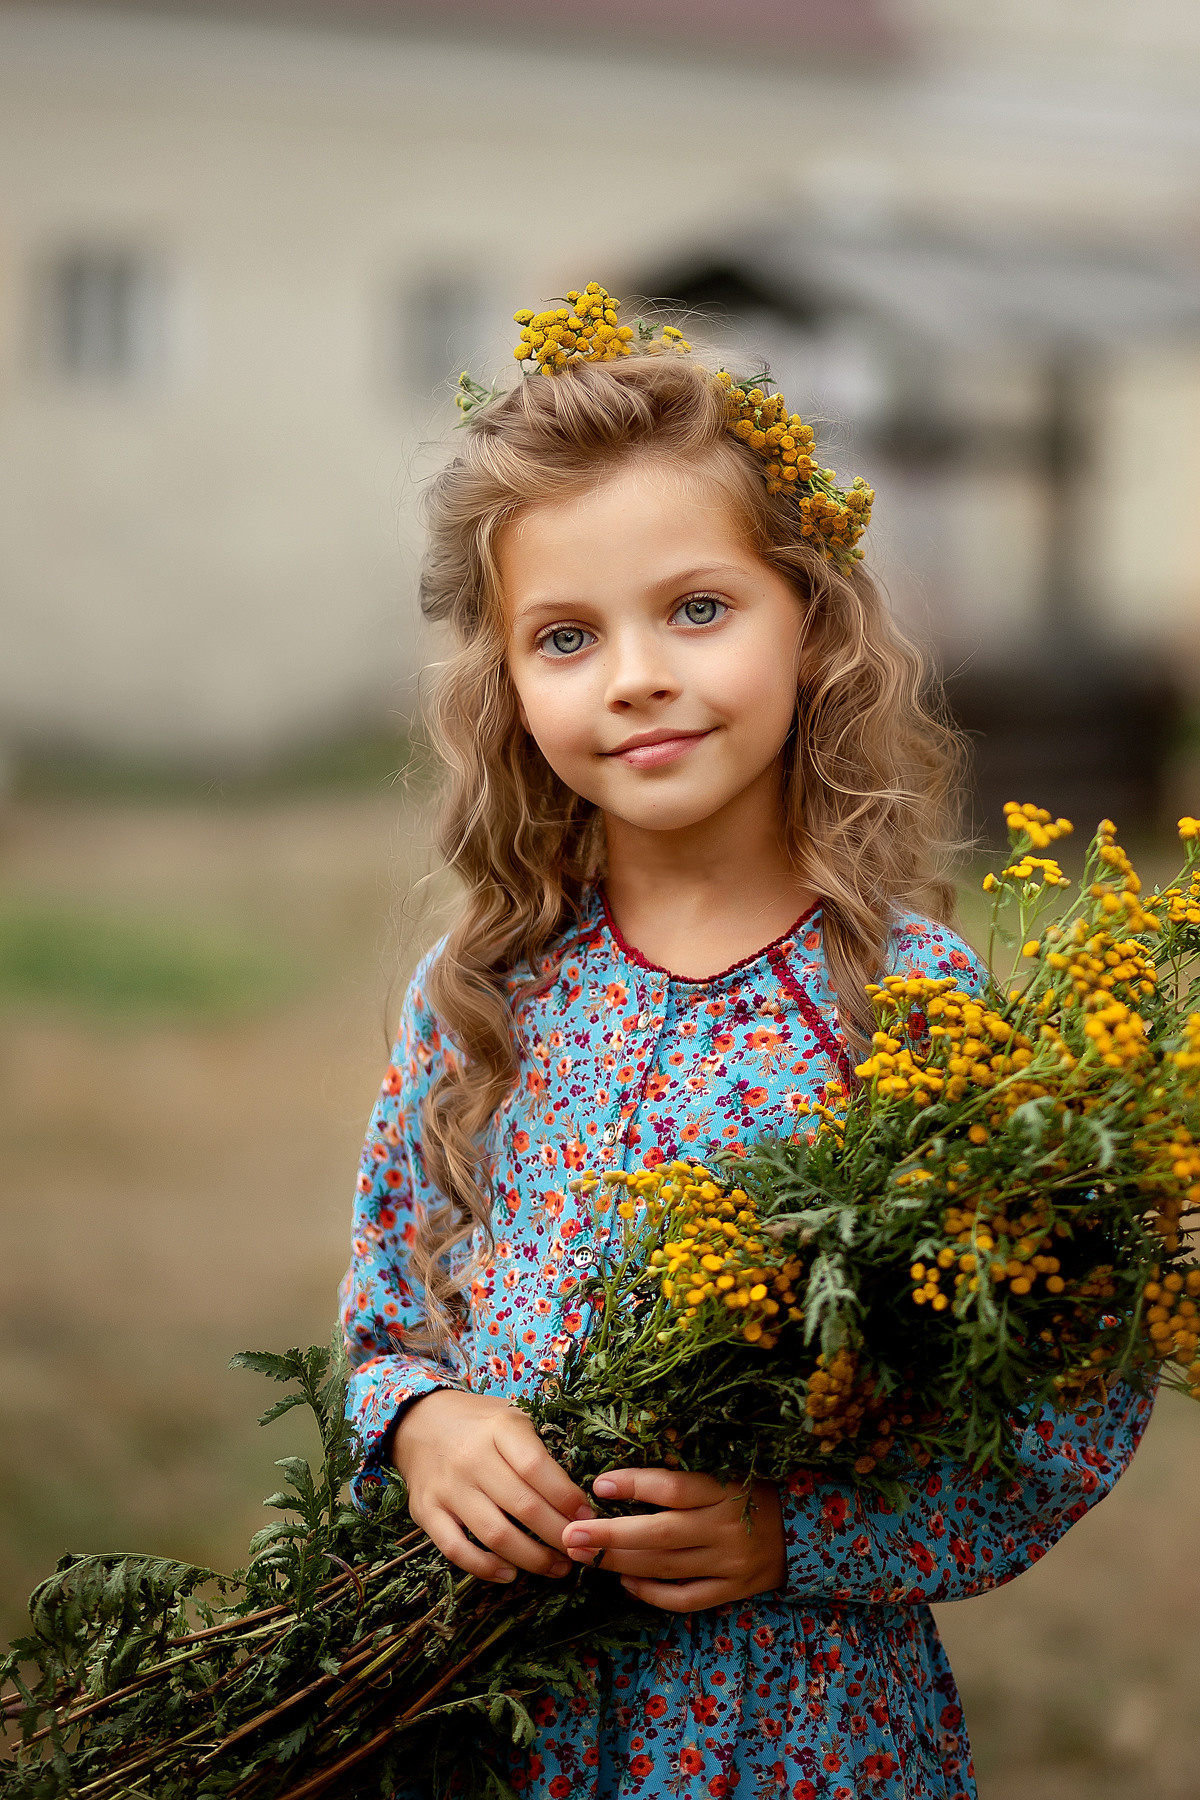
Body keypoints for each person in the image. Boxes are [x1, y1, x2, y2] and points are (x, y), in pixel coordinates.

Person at [340, 286, 1150, 1799]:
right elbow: (388, 1321)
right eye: (566, 636)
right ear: (507, 688)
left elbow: (1064, 1402)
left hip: (790, 1725)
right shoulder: (484, 990)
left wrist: (801, 1535)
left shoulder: (912, 1013)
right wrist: (426, 1426)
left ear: (813, 623)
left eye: (698, 609)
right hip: (499, 1721)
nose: (636, 673)